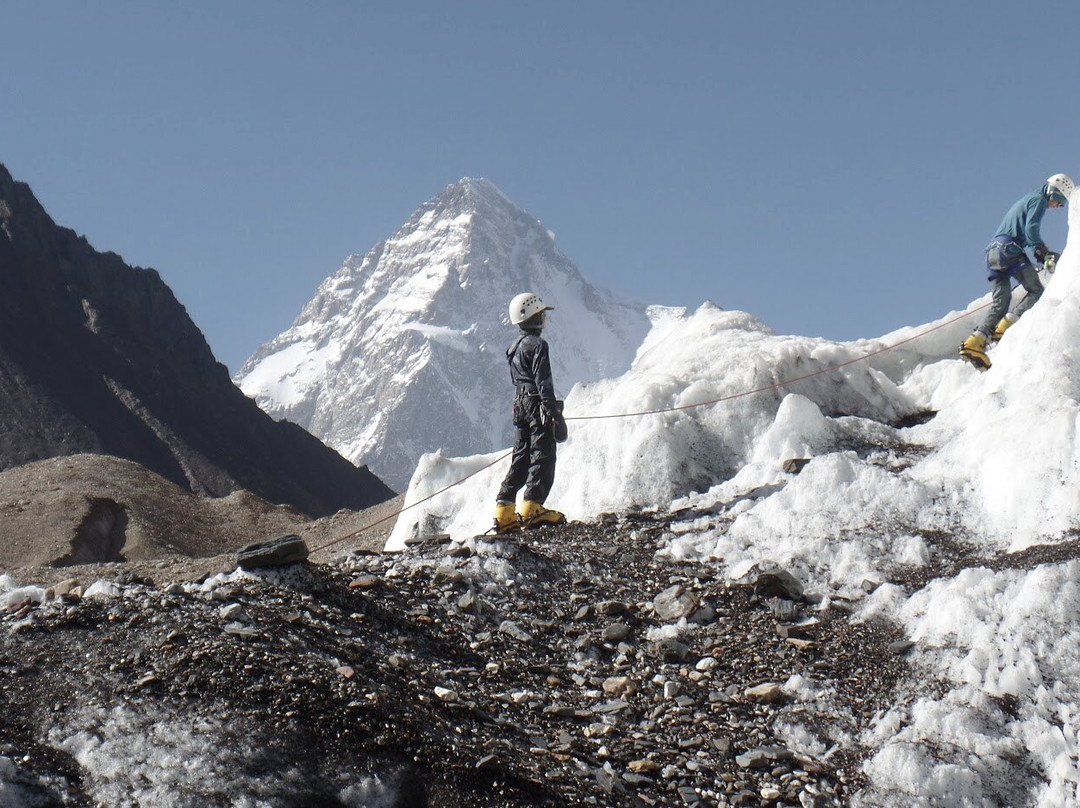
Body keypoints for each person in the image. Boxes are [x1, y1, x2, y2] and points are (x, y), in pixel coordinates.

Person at [960, 173, 1074, 369]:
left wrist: (1037, 251)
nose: (1059, 206)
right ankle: (1005, 327)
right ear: (1056, 191)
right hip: (1010, 251)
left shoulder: (1027, 199)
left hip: (993, 253)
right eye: (1060, 202)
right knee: (1036, 290)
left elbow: (1025, 234)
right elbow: (1031, 229)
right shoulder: (1038, 200)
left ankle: (974, 343)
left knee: (1001, 301)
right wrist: (1043, 251)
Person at [493, 292, 566, 533]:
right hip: (536, 401)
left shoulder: (513, 348)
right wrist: (552, 410)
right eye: (542, 314)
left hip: (519, 403)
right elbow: (543, 380)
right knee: (543, 452)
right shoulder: (538, 345)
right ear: (535, 316)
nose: (545, 318)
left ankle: (504, 511)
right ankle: (532, 506)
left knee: (521, 455)